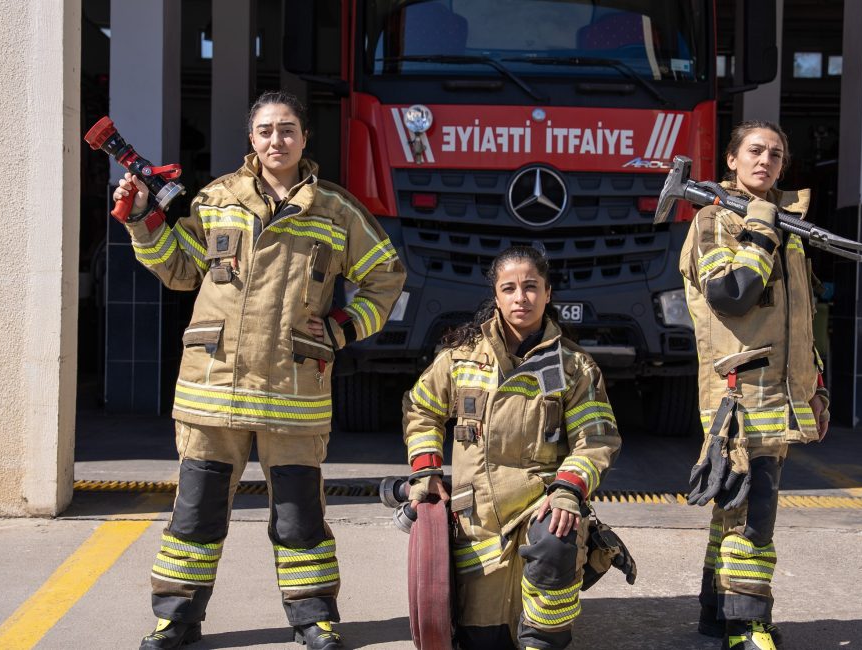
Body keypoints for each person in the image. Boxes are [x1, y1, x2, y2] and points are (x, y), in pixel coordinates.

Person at [112, 90, 405, 649]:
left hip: (293, 391)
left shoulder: (335, 210)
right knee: (195, 516)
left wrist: (341, 328)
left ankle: (314, 619)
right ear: (252, 139)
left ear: (304, 138)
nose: (277, 140)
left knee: (300, 518)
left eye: (287, 129)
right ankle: (176, 620)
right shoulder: (216, 199)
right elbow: (180, 270)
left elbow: (386, 277)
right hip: (213, 388)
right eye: (266, 130)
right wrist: (143, 221)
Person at [402, 246, 622, 649]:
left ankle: (545, 641)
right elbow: (422, 409)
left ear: (548, 293)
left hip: (542, 506)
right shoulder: (460, 359)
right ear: (497, 296)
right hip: (478, 524)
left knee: (556, 539)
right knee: (485, 642)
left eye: (531, 287)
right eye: (509, 288)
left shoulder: (575, 367)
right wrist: (427, 471)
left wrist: (568, 490)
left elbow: (595, 440)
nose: (521, 297)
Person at [679, 121, 830, 650]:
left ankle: (717, 615)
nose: (766, 161)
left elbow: (799, 318)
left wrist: (815, 385)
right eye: (755, 151)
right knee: (753, 509)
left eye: (776, 154)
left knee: (734, 505)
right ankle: (746, 627)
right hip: (740, 393)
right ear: (732, 160)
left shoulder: (788, 228)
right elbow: (732, 294)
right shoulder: (714, 221)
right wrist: (761, 228)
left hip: (781, 392)